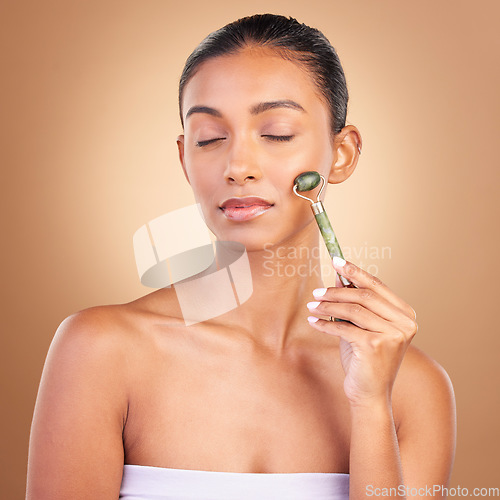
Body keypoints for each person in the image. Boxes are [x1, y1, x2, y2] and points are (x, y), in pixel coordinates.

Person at [26, 13, 456, 499]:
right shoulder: (101, 351)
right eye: (209, 138)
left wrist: (370, 404)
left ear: (341, 155)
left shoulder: (412, 388)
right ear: (185, 158)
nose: (238, 166)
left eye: (275, 133)